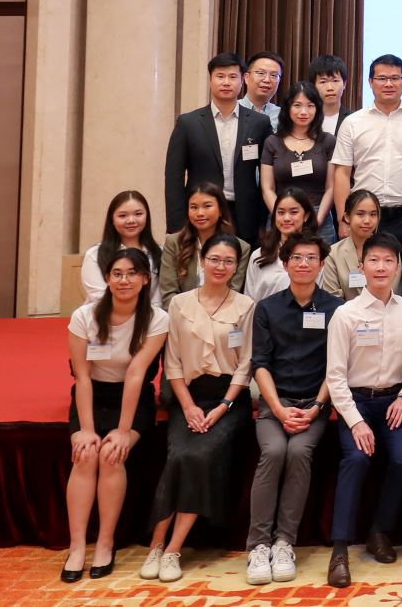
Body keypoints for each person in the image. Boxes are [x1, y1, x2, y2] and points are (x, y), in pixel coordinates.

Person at [140, 234, 253, 584]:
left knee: (199, 457)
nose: (221, 267)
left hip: (227, 400)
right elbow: (171, 361)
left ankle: (173, 548)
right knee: (177, 456)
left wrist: (222, 407)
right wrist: (187, 406)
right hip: (188, 397)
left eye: (228, 261)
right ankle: (155, 545)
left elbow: (246, 364)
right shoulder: (180, 304)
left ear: (237, 267)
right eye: (215, 259)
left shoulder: (245, 306)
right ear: (202, 261)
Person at [63, 249, 166, 582]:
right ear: (107, 279)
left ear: (145, 279)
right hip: (92, 395)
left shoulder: (156, 318)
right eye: (117, 274)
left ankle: (105, 543)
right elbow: (81, 376)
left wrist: (123, 431)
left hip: (133, 400)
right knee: (86, 453)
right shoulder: (85, 316)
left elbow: (137, 373)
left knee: (111, 455)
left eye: (133, 273)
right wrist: (86, 429)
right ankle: (77, 546)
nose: (125, 280)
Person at [324, 232, 402, 589]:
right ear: (361, 267)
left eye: (388, 261)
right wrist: (356, 422)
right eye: (374, 261)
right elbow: (335, 378)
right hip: (356, 403)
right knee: (357, 459)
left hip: (395, 401)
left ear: (397, 267)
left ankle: (380, 530)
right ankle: (339, 551)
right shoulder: (344, 315)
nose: (381, 267)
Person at [244, 233, 338, 586]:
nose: (303, 264)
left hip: (314, 406)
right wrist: (279, 409)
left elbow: (337, 366)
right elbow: (260, 364)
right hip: (275, 404)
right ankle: (257, 545)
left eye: (311, 258)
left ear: (321, 264)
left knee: (299, 452)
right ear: (285, 264)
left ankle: (284, 542)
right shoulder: (267, 309)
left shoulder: (335, 308)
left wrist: (316, 407)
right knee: (273, 450)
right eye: (296, 258)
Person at [331, 55, 402, 248]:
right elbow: (342, 172)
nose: (389, 84)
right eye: (382, 78)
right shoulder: (352, 122)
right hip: (365, 216)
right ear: (371, 82)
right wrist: (343, 219)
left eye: (395, 78)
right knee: (363, 273)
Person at [164, 52, 273, 236]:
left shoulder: (259, 123)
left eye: (232, 77)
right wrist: (176, 224)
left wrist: (263, 218)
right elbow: (173, 176)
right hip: (201, 213)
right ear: (210, 80)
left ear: (243, 80)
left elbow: (268, 173)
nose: (226, 82)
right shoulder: (188, 123)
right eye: (220, 76)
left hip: (245, 216)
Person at [263, 83, 336, 241]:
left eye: (310, 106)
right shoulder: (272, 142)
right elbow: (267, 188)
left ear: (317, 109)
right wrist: (281, 215)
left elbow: (331, 187)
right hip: (282, 218)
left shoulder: (328, 141)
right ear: (288, 108)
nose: (304, 112)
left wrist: (317, 220)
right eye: (297, 105)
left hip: (319, 216)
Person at [80, 189, 165, 310]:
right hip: (104, 320)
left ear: (147, 217)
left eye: (138, 214)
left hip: (148, 321)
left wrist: (149, 320)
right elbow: (98, 296)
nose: (131, 220)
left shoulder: (159, 253)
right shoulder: (95, 254)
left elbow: (158, 298)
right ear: (112, 219)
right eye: (123, 215)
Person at [159, 183, 244, 299]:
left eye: (207, 206)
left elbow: (234, 294)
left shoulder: (241, 247)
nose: (200, 213)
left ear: (221, 210)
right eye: (194, 207)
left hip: (224, 314)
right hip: (181, 314)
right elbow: (168, 294)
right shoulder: (173, 243)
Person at [323, 190, 402, 302]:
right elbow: (332, 299)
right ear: (347, 217)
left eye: (373, 214)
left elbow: (394, 292)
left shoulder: (390, 250)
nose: (367, 220)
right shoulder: (333, 253)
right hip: (347, 317)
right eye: (360, 214)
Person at [246, 190, 316, 302]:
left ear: (306, 216)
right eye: (281, 212)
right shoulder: (259, 255)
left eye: (293, 212)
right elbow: (249, 300)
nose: (286, 218)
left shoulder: (316, 255)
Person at [307, 54, 350, 135]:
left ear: (344, 84)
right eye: (323, 82)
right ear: (313, 86)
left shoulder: (353, 119)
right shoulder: (305, 119)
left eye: (335, 81)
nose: (330, 88)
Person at [244, 51, 284, 124]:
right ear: (247, 77)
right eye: (261, 73)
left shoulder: (283, 116)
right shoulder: (233, 110)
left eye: (274, 75)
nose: (267, 80)